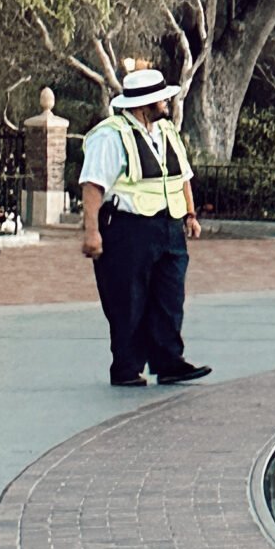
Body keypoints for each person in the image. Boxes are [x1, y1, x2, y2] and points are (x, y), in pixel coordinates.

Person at [77, 66, 211, 390]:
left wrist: (190, 215)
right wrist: (92, 232)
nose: (166, 103)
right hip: (128, 229)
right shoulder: (110, 135)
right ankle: (126, 367)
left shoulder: (167, 132)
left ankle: (169, 363)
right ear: (145, 104)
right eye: (162, 99)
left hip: (169, 228)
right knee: (128, 299)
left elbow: (183, 177)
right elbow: (93, 186)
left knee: (170, 296)